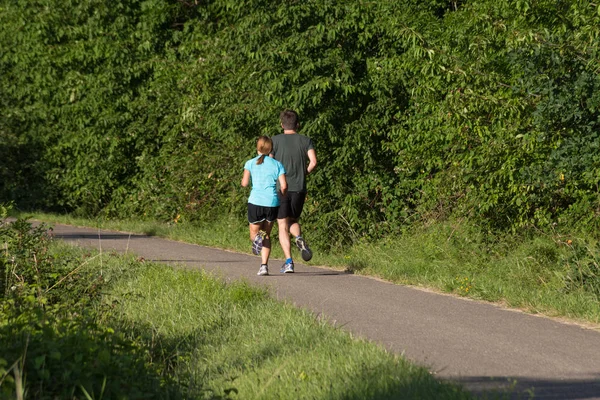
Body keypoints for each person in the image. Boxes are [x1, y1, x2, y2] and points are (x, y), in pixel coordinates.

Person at [270, 109, 317, 274]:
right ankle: (299, 238)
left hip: (281, 188)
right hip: (299, 188)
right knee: (293, 220)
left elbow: (269, 162)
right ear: (298, 124)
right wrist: (304, 172)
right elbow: (313, 161)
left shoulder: (274, 141)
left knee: (282, 225)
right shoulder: (305, 140)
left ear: (282, 125)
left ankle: (289, 262)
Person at [242, 136, 287, 276]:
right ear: (270, 149)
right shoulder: (277, 164)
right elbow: (284, 186)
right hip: (272, 203)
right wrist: (282, 193)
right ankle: (264, 266)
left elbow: (244, 183)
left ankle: (257, 239)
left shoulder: (250, 163)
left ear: (257, 147)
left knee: (254, 234)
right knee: (266, 234)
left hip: (255, 201)